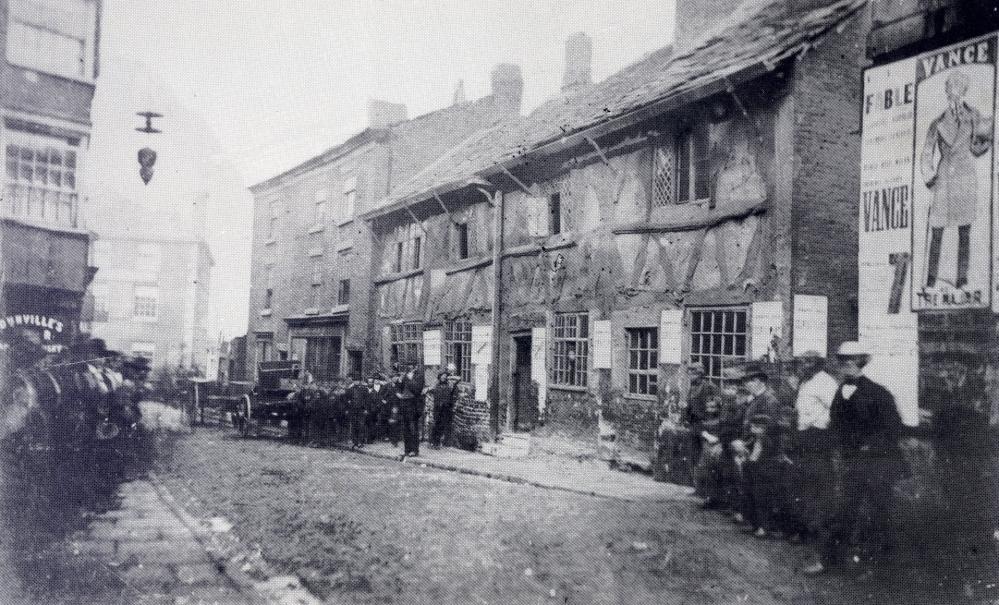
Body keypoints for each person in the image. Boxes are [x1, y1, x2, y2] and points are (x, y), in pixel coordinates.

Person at [805, 342, 907, 575]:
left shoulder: (879, 393)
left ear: (862, 362)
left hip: (878, 463)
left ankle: (877, 566)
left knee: (878, 513)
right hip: (852, 463)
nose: (847, 365)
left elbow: (893, 429)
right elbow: (836, 424)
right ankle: (830, 561)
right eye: (843, 361)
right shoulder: (840, 392)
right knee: (843, 510)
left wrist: (869, 446)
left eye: (853, 360)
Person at [920, 70, 994, 289]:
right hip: (944, 177)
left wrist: (985, 138)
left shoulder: (975, 116)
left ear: (963, 91)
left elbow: (979, 148)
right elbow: (926, 152)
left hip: (965, 177)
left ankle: (962, 280)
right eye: (950, 88)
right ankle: (931, 281)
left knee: (965, 231)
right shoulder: (938, 122)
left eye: (957, 88)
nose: (953, 93)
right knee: (937, 230)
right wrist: (930, 177)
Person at [685, 364, 719, 473]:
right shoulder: (692, 388)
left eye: (692, 373)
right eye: (689, 373)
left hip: (706, 426)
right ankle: (696, 482)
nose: (690, 376)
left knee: (705, 456)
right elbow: (689, 407)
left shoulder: (710, 387)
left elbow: (715, 408)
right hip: (694, 425)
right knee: (693, 454)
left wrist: (708, 424)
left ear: (699, 374)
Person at [397, 365, 425, 457]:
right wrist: (400, 381)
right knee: (405, 429)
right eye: (409, 367)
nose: (410, 369)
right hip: (404, 404)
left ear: (416, 367)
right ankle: (407, 450)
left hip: (414, 405)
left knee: (413, 428)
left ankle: (414, 450)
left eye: (412, 367)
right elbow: (399, 388)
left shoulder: (419, 376)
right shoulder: (405, 376)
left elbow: (417, 390)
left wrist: (409, 379)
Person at [429, 370, 458, 448]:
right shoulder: (436, 385)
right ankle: (432, 441)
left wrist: (451, 376)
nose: (443, 378)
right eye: (442, 377)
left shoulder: (449, 386)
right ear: (439, 377)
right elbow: (431, 393)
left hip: (445, 408)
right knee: (435, 424)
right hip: (437, 407)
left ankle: (438, 442)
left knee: (442, 425)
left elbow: (457, 380)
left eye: (445, 377)